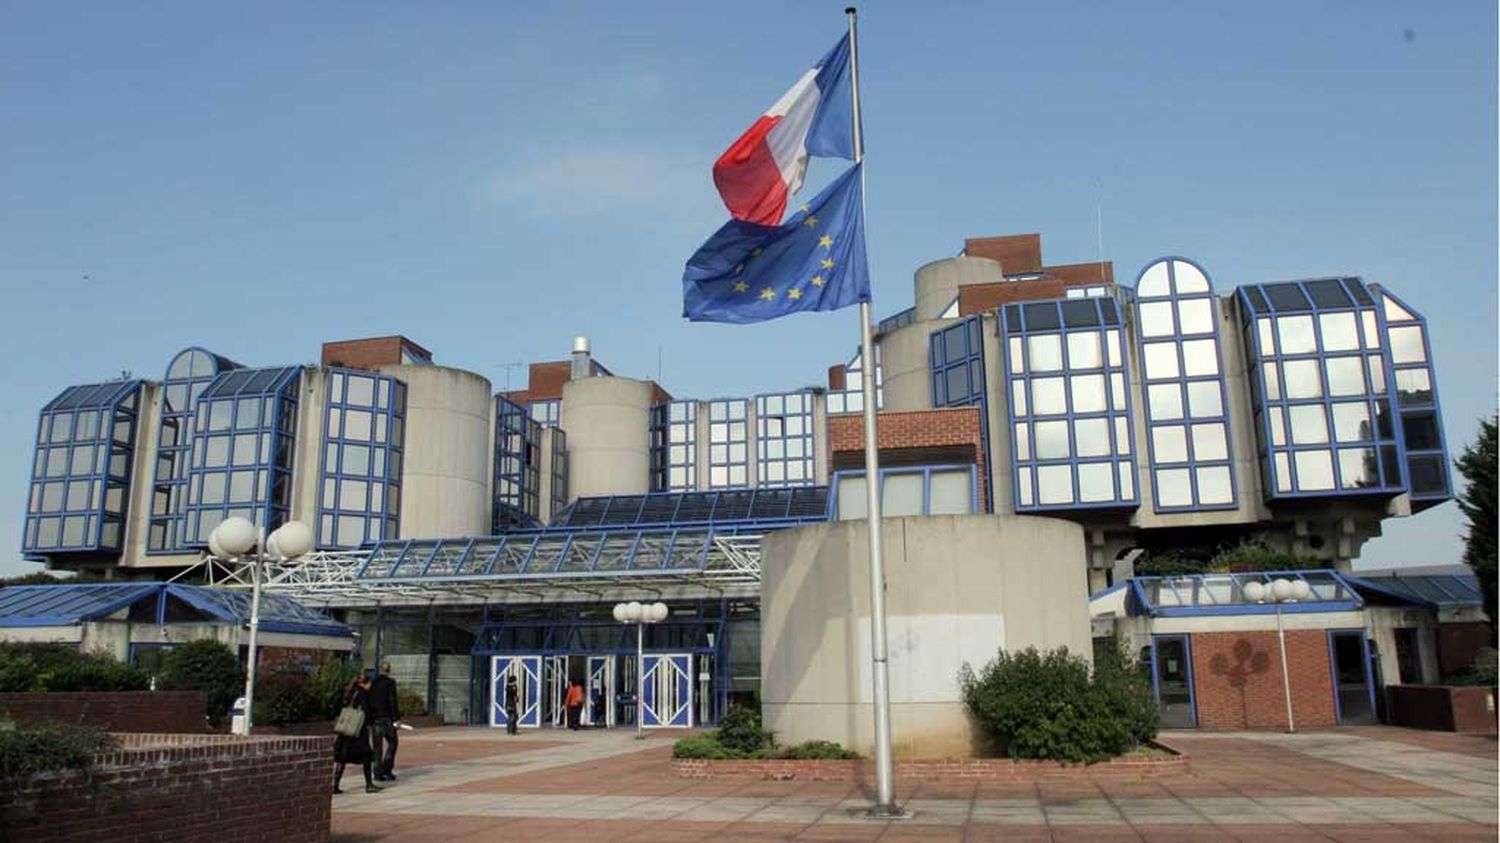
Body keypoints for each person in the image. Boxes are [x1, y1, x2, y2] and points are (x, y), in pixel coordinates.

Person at [333, 675, 381, 794]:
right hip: (358, 731)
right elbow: (366, 711)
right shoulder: (362, 693)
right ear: (364, 683)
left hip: (345, 731)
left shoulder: (348, 692)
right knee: (366, 757)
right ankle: (369, 785)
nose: (370, 687)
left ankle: (335, 785)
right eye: (370, 684)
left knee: (342, 759)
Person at [367, 662, 400, 782]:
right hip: (387, 719)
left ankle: (377, 773)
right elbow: (392, 700)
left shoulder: (373, 683)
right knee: (393, 743)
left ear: (379, 670)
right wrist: (396, 718)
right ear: (389, 670)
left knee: (377, 748)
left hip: (375, 719)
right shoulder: (390, 683)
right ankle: (387, 769)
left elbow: (368, 701)